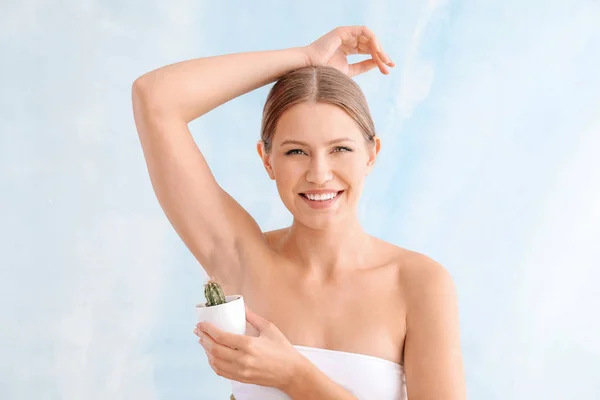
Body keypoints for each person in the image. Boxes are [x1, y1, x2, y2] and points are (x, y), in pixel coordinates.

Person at [132, 25, 466, 400]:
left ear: (372, 154)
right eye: (295, 151)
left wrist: (294, 376)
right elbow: (154, 98)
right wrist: (305, 59)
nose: (319, 174)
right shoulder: (241, 259)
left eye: (339, 149)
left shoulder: (418, 283)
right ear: (267, 160)